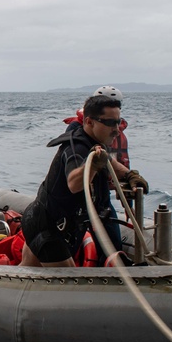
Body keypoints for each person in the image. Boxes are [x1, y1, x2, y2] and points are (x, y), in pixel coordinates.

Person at [20, 95, 149, 268]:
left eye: (119, 122)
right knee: (68, 283)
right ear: (89, 122)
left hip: (44, 220)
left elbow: (109, 162)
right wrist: (94, 165)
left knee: (28, 269)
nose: (117, 129)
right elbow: (74, 183)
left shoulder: (95, 142)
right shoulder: (77, 148)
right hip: (49, 228)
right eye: (110, 123)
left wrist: (130, 175)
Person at [62, 85, 134, 250]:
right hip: (82, 195)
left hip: (102, 195)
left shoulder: (112, 132)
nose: (114, 128)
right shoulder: (77, 133)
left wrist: (128, 203)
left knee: (112, 242)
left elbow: (118, 165)